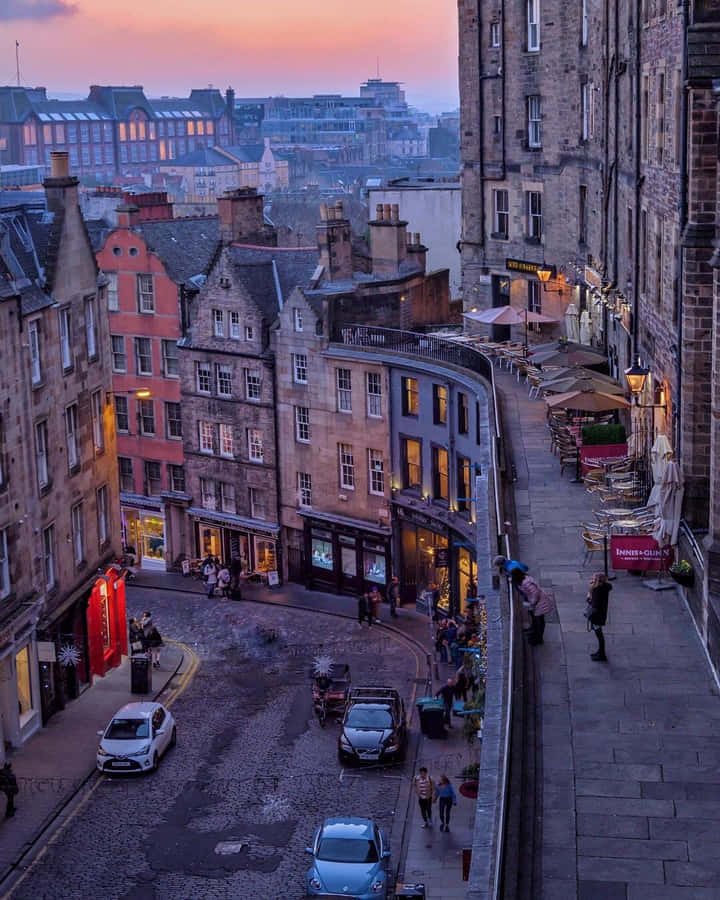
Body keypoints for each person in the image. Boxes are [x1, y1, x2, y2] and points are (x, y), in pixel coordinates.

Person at [512, 570, 555, 646]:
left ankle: (538, 638)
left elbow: (535, 593)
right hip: (537, 603)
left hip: (540, 603)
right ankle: (535, 634)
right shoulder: (525, 580)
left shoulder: (526, 583)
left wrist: (532, 602)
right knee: (536, 619)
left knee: (539, 621)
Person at [586, 572, 611, 661]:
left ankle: (602, 654)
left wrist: (589, 595)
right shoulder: (604, 587)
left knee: (599, 635)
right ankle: (600, 652)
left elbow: (594, 604)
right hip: (601, 614)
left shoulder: (597, 590)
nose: (592, 580)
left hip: (597, 616)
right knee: (599, 634)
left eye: (593, 579)